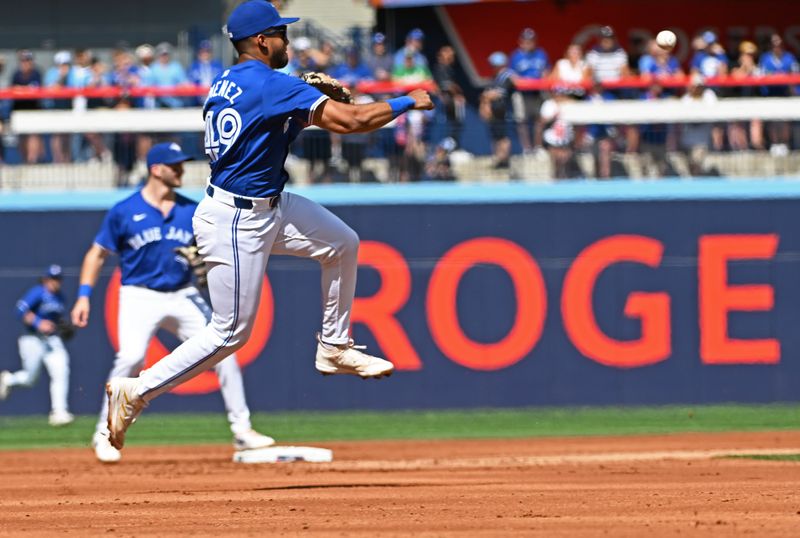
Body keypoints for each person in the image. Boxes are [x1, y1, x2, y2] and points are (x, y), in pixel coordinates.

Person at [102, 0, 433, 451]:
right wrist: (407, 100)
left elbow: (264, 135)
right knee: (229, 332)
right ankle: (136, 391)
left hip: (266, 205)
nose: (288, 40)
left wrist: (302, 109)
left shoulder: (230, 82)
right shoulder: (269, 84)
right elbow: (353, 122)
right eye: (281, 33)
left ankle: (334, 346)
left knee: (342, 243)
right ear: (261, 41)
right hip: (236, 219)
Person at [71, 142, 275, 463]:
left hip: (183, 293)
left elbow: (214, 252)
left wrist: (206, 263)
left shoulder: (192, 210)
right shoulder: (125, 210)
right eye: (174, 165)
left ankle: (242, 431)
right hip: (140, 294)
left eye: (182, 164)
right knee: (131, 357)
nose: (181, 170)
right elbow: (97, 254)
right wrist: (83, 296)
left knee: (224, 351)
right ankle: (105, 433)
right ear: (155, 169)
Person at [0, 265, 74, 427]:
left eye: (58, 279)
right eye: (53, 278)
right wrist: (38, 322)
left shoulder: (60, 297)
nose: (56, 282)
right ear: (46, 279)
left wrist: (63, 327)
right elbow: (19, 310)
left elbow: (58, 320)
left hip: (52, 340)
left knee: (61, 371)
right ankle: (9, 379)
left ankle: (59, 412)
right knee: (30, 378)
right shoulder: (38, 292)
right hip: (32, 339)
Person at [480, 51, 515, 170]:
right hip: (495, 113)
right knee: (495, 137)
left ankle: (504, 160)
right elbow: (487, 94)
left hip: (504, 112)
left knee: (503, 137)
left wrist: (486, 96)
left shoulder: (507, 76)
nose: (493, 67)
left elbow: (497, 94)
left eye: (495, 65)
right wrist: (485, 103)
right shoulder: (495, 78)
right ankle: (498, 159)